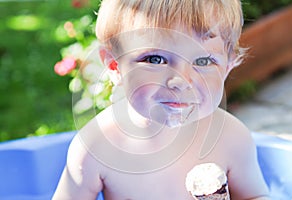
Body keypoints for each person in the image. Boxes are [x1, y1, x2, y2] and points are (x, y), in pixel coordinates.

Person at [53, 0, 270, 199]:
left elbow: (254, 196)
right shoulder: (96, 146)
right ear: (114, 66)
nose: (181, 81)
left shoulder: (231, 138)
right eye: (156, 59)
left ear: (228, 66)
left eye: (203, 60)